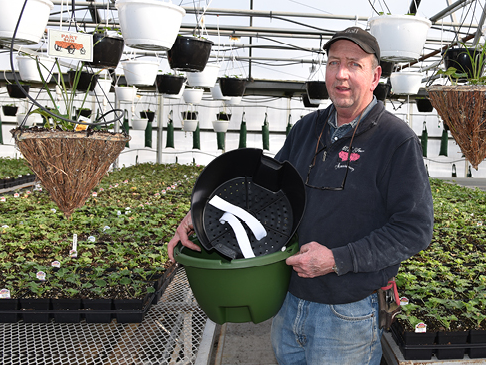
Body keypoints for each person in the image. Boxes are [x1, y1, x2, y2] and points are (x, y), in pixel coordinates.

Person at [167, 26, 433, 365]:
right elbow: (265, 193)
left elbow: (414, 229)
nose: (341, 74)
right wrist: (203, 215)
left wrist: (336, 259)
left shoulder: (397, 141)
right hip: (290, 301)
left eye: (354, 64)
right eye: (334, 63)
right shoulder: (308, 129)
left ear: (375, 75)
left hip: (347, 312)